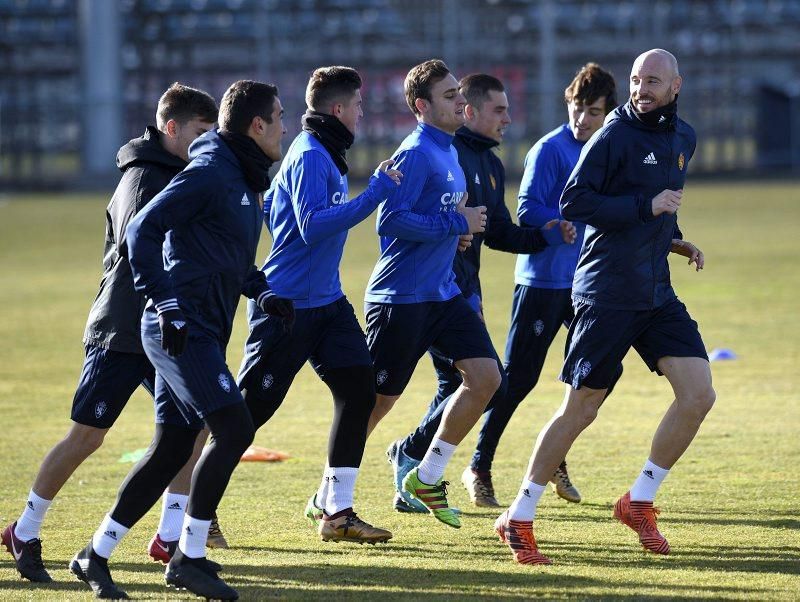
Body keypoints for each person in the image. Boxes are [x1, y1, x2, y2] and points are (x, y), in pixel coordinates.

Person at [69, 80, 294, 600]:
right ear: (256, 126)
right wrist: (166, 303)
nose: (286, 126)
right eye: (280, 117)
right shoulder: (212, 171)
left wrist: (263, 293)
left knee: (172, 447)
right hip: (179, 327)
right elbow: (142, 229)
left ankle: (94, 554)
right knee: (234, 429)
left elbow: (228, 257)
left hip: (203, 327)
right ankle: (188, 557)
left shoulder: (243, 177)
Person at [495, 49, 714, 565]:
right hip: (606, 292)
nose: (642, 88)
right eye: (637, 79)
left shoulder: (684, 137)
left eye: (653, 81)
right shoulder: (613, 134)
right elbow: (575, 201)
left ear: (676, 86)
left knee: (698, 394)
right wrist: (647, 208)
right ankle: (519, 516)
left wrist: (674, 238)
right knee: (582, 407)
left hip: (655, 290)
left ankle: (639, 502)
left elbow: (661, 203)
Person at [1, 83, 218, 584]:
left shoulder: (186, 173)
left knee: (195, 427)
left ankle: (169, 538)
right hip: (121, 329)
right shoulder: (142, 179)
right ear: (171, 129)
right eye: (200, 133)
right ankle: (25, 530)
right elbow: (137, 249)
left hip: (166, 329)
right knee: (88, 436)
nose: (208, 143)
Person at [385, 73, 575, 513]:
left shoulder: (490, 164)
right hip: (423, 289)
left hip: (460, 291)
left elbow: (499, 231)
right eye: (499, 110)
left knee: (466, 381)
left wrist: (545, 235)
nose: (508, 118)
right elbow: (406, 220)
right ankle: (375, 475)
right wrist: (456, 233)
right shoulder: (443, 153)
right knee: (402, 389)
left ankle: (411, 460)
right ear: (469, 111)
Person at [236, 66, 400, 544]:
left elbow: (277, 214)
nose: (363, 113)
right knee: (245, 415)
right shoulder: (310, 155)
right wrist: (375, 194)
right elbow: (313, 227)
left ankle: (336, 511)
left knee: (358, 389)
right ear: (338, 110)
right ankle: (192, 507)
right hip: (287, 308)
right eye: (359, 106)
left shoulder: (321, 152)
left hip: (327, 303)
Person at [363, 59, 501, 529]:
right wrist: (454, 224)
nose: (461, 101)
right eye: (449, 96)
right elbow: (390, 221)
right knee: (375, 404)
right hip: (400, 298)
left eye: (460, 92)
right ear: (422, 106)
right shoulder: (417, 152)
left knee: (485, 377)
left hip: (442, 293)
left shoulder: (451, 151)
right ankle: (331, 492)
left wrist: (455, 235)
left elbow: (439, 218)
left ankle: (428, 475)